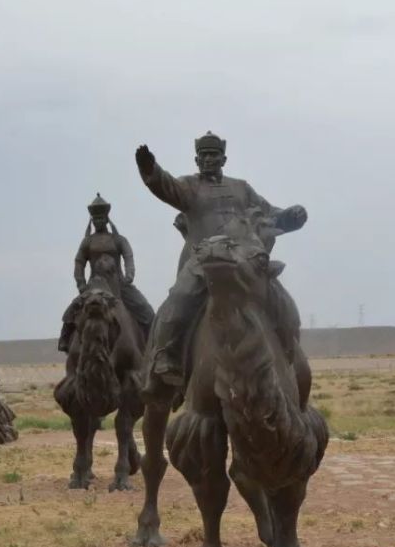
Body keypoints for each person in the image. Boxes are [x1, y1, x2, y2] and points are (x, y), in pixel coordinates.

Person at [135, 131, 307, 391]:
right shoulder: (189, 187)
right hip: (204, 261)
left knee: (279, 297)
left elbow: (268, 213)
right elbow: (165, 186)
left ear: (223, 158)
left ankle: (288, 346)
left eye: (213, 155)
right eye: (203, 156)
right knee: (179, 299)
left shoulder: (241, 188)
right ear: (196, 159)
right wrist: (150, 170)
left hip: (243, 258)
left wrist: (291, 216)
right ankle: (167, 358)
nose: (207, 160)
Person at [58, 193, 154, 352]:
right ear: (92, 220)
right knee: (71, 311)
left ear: (107, 219)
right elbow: (79, 262)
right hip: (94, 286)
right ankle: (65, 340)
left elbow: (128, 257)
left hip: (120, 285)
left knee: (147, 311)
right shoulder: (87, 241)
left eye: (101, 218)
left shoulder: (119, 239)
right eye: (96, 219)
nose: (99, 221)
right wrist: (81, 284)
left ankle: (151, 344)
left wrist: (130, 275)